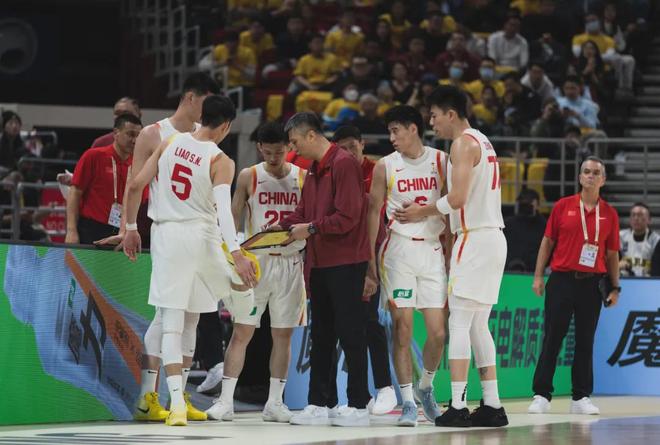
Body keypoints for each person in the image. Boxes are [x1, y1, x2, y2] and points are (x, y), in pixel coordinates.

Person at [122, 95, 258, 426]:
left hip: (167, 235)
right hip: (202, 237)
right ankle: (175, 399)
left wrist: (130, 228)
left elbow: (136, 185)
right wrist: (236, 253)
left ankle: (176, 403)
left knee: (174, 319)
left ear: (201, 117)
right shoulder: (221, 159)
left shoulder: (169, 141)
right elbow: (224, 212)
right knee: (230, 307)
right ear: (226, 126)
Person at [103, 72, 220, 422]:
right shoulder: (154, 134)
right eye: (206, 101)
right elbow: (135, 183)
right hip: (169, 231)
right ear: (190, 97)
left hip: (199, 234)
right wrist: (129, 227)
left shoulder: (206, 135)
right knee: (169, 316)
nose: (209, 109)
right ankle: (152, 396)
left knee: (189, 316)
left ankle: (166, 397)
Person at [395, 85, 509, 428]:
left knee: (459, 322)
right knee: (478, 325)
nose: (431, 123)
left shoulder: (462, 143)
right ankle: (492, 404)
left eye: (434, 116)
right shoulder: (483, 141)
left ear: (451, 114)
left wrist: (420, 211)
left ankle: (458, 405)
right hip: (493, 237)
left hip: (474, 237)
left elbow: (457, 198)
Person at [207, 122, 307, 423]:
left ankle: (275, 403)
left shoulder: (303, 177)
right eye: (269, 152)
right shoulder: (248, 175)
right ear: (260, 148)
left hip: (290, 263)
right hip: (256, 262)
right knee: (242, 332)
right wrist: (232, 257)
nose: (274, 158)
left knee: (283, 335)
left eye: (280, 152)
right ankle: (225, 401)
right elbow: (232, 218)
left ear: (288, 147)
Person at [277, 112, 371, 427]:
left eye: (295, 142)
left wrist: (311, 229)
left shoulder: (344, 164)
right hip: (319, 263)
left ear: (312, 135)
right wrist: (279, 227)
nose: (293, 149)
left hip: (347, 262)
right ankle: (320, 404)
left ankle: (359, 405)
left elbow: (348, 216)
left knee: (351, 335)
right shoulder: (314, 170)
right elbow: (303, 213)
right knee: (321, 336)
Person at [366, 105, 450, 427]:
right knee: (402, 328)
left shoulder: (441, 161)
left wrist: (450, 253)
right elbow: (373, 213)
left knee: (438, 333)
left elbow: (451, 208)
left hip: (432, 250)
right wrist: (370, 260)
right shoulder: (385, 166)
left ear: (413, 129)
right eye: (389, 131)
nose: (391, 137)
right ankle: (407, 403)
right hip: (398, 250)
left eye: (396, 130)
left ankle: (425, 387)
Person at [529, 156, 621, 416]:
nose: (590, 176)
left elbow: (612, 254)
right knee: (552, 337)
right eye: (586, 172)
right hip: (561, 280)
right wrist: (538, 276)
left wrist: (615, 288)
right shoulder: (563, 206)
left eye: (595, 173)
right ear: (580, 177)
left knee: (585, 340)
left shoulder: (610, 214)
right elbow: (547, 241)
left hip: (591, 284)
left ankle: (581, 397)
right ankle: (541, 394)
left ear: (603, 180)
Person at [333, 125, 397, 415]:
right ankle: (358, 395)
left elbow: (375, 212)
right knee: (346, 326)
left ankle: (385, 388)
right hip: (342, 255)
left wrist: (371, 267)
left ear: (362, 144)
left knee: (371, 321)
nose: (349, 153)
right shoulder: (335, 172)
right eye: (342, 148)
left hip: (371, 252)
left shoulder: (377, 170)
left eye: (352, 146)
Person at [65, 114, 142, 244]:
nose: (134, 140)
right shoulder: (93, 156)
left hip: (122, 231)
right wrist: (71, 230)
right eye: (130, 134)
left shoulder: (138, 165)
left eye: (138, 136)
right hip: (91, 228)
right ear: (116, 133)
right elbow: (75, 193)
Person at [504, 189, 547, 272]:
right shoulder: (509, 224)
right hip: (510, 270)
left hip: (534, 271)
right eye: (522, 202)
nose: (525, 205)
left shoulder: (544, 226)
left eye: (529, 202)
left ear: (538, 205)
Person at [619, 202, 659, 277]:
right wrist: (617, 265)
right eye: (633, 215)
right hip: (624, 280)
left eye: (640, 215)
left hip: (648, 280)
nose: (636, 218)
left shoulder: (656, 240)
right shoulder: (620, 237)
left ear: (649, 220)